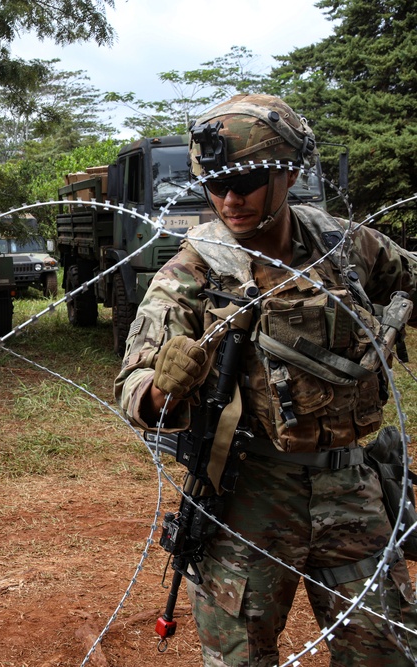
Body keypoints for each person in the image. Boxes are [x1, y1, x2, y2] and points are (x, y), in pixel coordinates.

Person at [115, 94, 417, 666]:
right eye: (217, 184)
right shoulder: (195, 272)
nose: (230, 199)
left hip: (352, 487)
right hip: (249, 497)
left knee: (387, 652)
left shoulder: (345, 246)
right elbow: (133, 392)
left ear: (290, 173)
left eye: (249, 180)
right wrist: (166, 385)